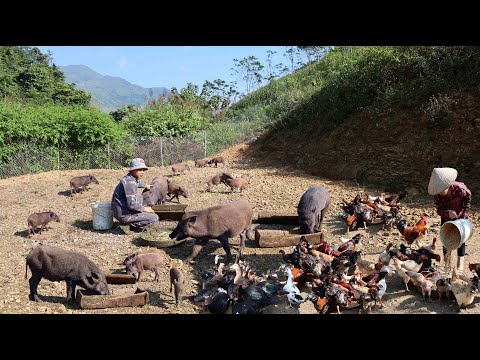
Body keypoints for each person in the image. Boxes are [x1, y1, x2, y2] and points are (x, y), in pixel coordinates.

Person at [428, 167, 471, 272]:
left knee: (461, 237)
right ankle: (447, 263)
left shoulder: (460, 189)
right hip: (446, 217)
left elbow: (468, 200)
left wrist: (464, 214)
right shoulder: (438, 196)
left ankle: (460, 263)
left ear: (448, 185)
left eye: (443, 190)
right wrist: (447, 213)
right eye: (439, 191)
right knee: (446, 237)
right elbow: (439, 210)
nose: (441, 192)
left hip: (460, 215)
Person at [111, 158, 159, 231]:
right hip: (124, 215)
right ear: (132, 170)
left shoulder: (129, 178)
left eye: (143, 170)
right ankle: (131, 225)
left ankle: (129, 221)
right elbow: (131, 205)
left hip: (121, 210)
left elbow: (137, 183)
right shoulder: (130, 183)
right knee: (154, 218)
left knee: (139, 198)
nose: (142, 172)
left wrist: (145, 185)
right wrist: (144, 209)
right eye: (139, 170)